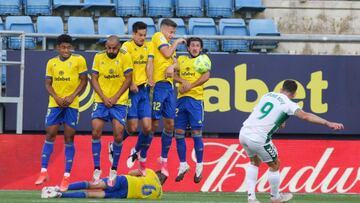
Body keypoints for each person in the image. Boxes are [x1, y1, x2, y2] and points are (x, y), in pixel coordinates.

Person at [239, 80, 344, 203]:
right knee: (275, 164)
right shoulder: (289, 104)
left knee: (254, 162)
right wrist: (328, 123)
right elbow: (305, 116)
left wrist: (280, 121)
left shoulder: (268, 95)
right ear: (294, 94)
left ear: (281, 89)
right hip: (258, 137)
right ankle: (275, 197)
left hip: (244, 133)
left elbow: (260, 112)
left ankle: (251, 198)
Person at [35, 34, 88, 191]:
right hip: (55, 104)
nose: (66, 50)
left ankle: (66, 176)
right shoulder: (51, 63)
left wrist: (72, 96)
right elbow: (47, 83)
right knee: (50, 134)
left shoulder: (79, 60)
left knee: (69, 137)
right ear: (58, 48)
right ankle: (43, 171)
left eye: (68, 47)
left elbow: (84, 81)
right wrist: (56, 97)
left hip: (72, 104)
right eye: (63, 47)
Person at [91, 35, 133, 186]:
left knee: (118, 134)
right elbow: (94, 78)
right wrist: (103, 97)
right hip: (101, 101)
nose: (110, 50)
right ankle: (96, 169)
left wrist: (115, 97)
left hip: (119, 102)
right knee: (95, 131)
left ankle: (114, 169)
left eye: (114, 48)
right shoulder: (98, 56)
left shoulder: (125, 56)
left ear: (119, 46)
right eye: (108, 47)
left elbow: (128, 79)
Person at [149, 18, 186, 177]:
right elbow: (167, 53)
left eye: (174, 34)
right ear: (163, 30)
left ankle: (163, 158)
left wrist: (172, 65)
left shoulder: (169, 44)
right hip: (157, 86)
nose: (172, 35)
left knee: (170, 124)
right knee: (153, 123)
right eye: (171, 32)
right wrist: (177, 42)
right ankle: (138, 151)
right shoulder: (158, 36)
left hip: (169, 87)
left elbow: (177, 63)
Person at [118, 22, 154, 175]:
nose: (143, 38)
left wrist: (150, 79)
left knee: (147, 127)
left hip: (144, 90)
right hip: (132, 90)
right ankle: (114, 145)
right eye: (140, 35)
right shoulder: (126, 47)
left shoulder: (149, 46)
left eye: (145, 35)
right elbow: (126, 68)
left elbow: (149, 64)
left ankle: (136, 150)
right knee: (132, 128)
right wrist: (131, 83)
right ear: (133, 34)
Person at [173, 38, 210, 183]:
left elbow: (206, 76)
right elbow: (171, 73)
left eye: (197, 46)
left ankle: (199, 166)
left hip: (195, 101)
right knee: (179, 133)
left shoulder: (203, 60)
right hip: (181, 101)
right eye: (192, 45)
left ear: (200, 49)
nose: (195, 48)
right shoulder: (181, 60)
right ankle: (183, 164)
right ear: (188, 48)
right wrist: (183, 81)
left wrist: (191, 85)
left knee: (196, 133)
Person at [41, 168, 167, 200]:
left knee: (93, 184)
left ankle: (58, 188)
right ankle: (59, 195)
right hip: (125, 195)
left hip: (125, 181)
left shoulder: (150, 172)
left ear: (157, 173)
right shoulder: (159, 194)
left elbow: (132, 172)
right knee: (92, 195)